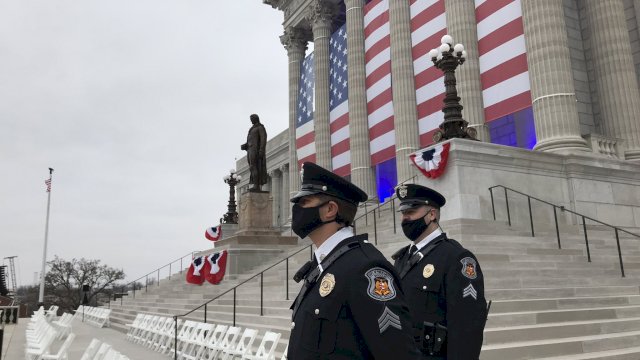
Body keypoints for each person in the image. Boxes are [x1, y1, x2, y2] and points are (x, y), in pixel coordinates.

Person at [287, 162, 421, 359]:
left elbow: (398, 353)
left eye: (304, 202)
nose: (297, 209)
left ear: (330, 209)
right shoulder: (324, 264)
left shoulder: (366, 268)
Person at [392, 184, 487, 359]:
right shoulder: (402, 258)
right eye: (403, 213)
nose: (405, 219)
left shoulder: (456, 258)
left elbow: (467, 328)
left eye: (411, 212)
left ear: (432, 214)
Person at [240, 114, 267, 191]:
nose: (251, 120)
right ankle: (255, 184)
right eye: (250, 119)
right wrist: (245, 145)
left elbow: (263, 139)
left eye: (252, 119)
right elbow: (250, 140)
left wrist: (261, 150)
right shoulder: (252, 129)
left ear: (256, 119)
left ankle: (256, 185)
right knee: (252, 167)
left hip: (256, 150)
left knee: (254, 166)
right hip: (250, 150)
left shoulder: (260, 127)